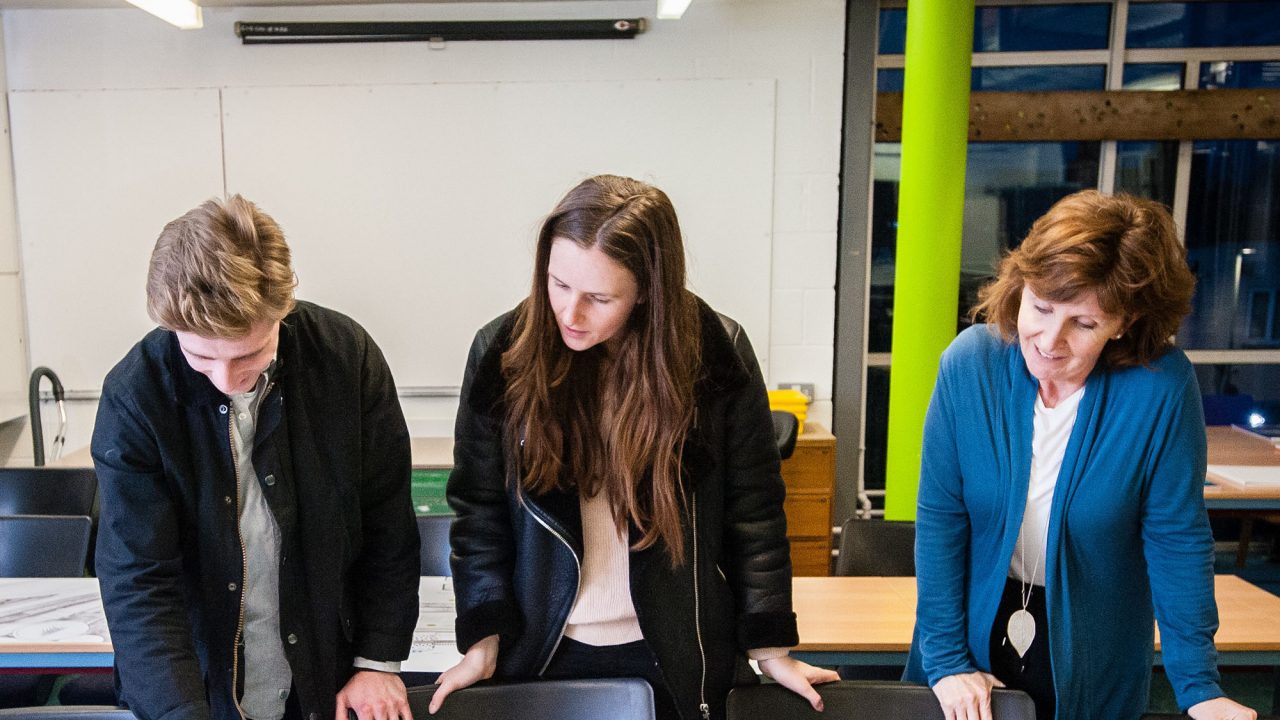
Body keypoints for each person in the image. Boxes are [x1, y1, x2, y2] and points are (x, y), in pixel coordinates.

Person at [433, 175, 839, 720]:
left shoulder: (715, 353)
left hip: (676, 651)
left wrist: (770, 649)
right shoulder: (503, 350)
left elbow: (755, 515)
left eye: (599, 298)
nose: (569, 315)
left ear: (648, 289)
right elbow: (478, 512)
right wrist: (482, 640)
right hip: (543, 651)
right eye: (557, 285)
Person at [904, 190, 1256, 720]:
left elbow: (1177, 539)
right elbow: (941, 522)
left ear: (1127, 321)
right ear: (1020, 285)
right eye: (1040, 308)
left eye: (1084, 323)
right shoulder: (969, 365)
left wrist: (1199, 688)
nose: (1049, 339)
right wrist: (948, 660)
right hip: (968, 635)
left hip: (1095, 651)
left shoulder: (1159, 388)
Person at [93, 195, 421, 720]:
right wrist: (180, 711)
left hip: (327, 675)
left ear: (283, 309)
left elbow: (387, 521)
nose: (226, 380)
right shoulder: (136, 396)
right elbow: (139, 579)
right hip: (198, 686)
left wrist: (377, 660)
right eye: (201, 357)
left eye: (248, 354)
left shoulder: (345, 358)